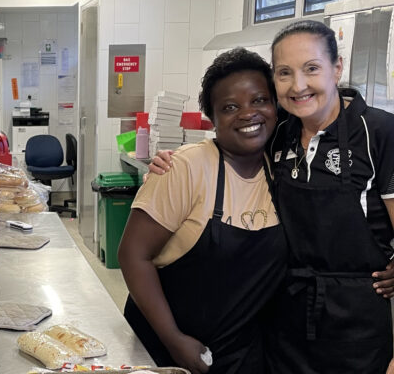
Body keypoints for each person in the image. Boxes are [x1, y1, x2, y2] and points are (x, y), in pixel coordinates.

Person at [148, 20, 394, 373]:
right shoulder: (279, 133)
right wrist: (173, 159)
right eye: (285, 73)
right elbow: (232, 137)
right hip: (282, 322)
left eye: (311, 69)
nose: (298, 85)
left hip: (356, 329)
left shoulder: (388, 135)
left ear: (337, 68)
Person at [118, 48, 287, 374]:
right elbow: (132, 255)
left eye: (259, 100)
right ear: (212, 118)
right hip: (166, 352)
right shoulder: (185, 168)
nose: (248, 113)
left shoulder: (283, 171)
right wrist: (174, 340)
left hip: (242, 355)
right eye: (230, 107)